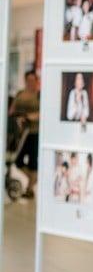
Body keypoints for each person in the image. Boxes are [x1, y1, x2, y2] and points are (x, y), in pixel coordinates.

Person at [10, 70, 41, 198]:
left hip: (34, 132)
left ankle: (30, 188)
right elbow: (11, 110)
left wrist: (28, 117)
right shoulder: (20, 94)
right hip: (20, 132)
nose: (30, 83)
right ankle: (34, 179)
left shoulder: (39, 95)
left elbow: (41, 113)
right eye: (28, 80)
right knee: (18, 160)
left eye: (33, 80)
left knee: (33, 161)